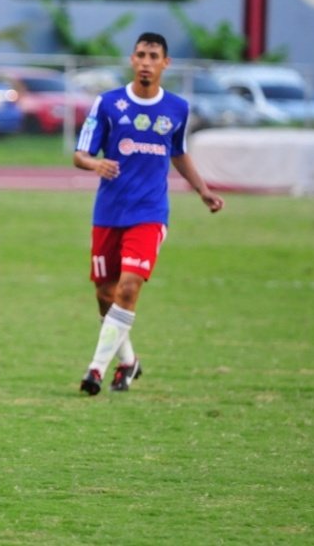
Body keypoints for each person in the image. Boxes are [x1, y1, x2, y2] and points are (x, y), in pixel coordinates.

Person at [74, 32, 224, 395]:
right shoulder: (107, 104)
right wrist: (96, 164)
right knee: (105, 295)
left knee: (128, 288)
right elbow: (79, 154)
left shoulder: (177, 108)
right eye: (140, 54)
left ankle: (95, 370)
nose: (146, 62)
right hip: (108, 212)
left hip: (150, 213)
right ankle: (128, 361)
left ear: (165, 63)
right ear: (132, 59)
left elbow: (179, 152)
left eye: (153, 56)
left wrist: (202, 190)